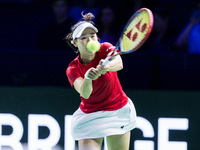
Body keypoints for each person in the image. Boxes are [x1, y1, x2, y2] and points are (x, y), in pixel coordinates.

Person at [65, 12, 137, 150]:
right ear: (75, 42)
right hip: (89, 117)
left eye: (92, 36)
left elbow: (119, 63)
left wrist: (106, 67)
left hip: (118, 111)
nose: (90, 41)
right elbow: (85, 93)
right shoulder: (73, 68)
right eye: (84, 38)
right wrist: (88, 78)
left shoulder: (105, 49)